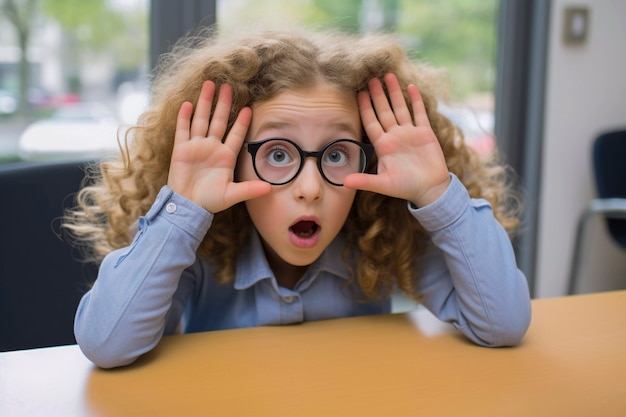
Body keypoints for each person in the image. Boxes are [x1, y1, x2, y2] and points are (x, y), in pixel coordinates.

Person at [64, 28, 531, 369]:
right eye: (278, 153)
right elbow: (107, 344)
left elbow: (502, 323)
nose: (309, 188)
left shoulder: (378, 232)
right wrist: (183, 211)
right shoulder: (196, 247)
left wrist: (436, 193)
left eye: (338, 154)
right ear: (233, 161)